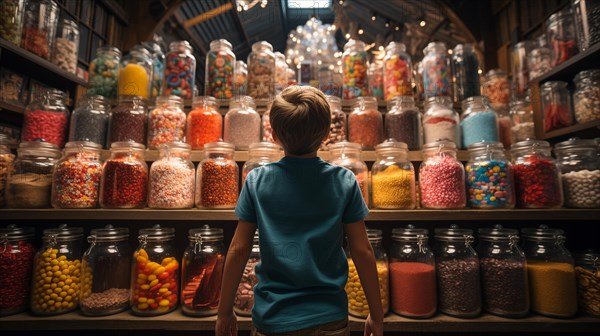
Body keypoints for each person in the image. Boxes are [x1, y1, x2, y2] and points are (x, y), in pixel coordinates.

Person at [216, 86, 384, 336]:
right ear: (327, 133)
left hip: (273, 318)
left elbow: (238, 249)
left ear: (273, 135)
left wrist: (224, 312)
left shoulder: (256, 181)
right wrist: (377, 315)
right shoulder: (344, 180)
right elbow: (361, 250)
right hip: (330, 317)